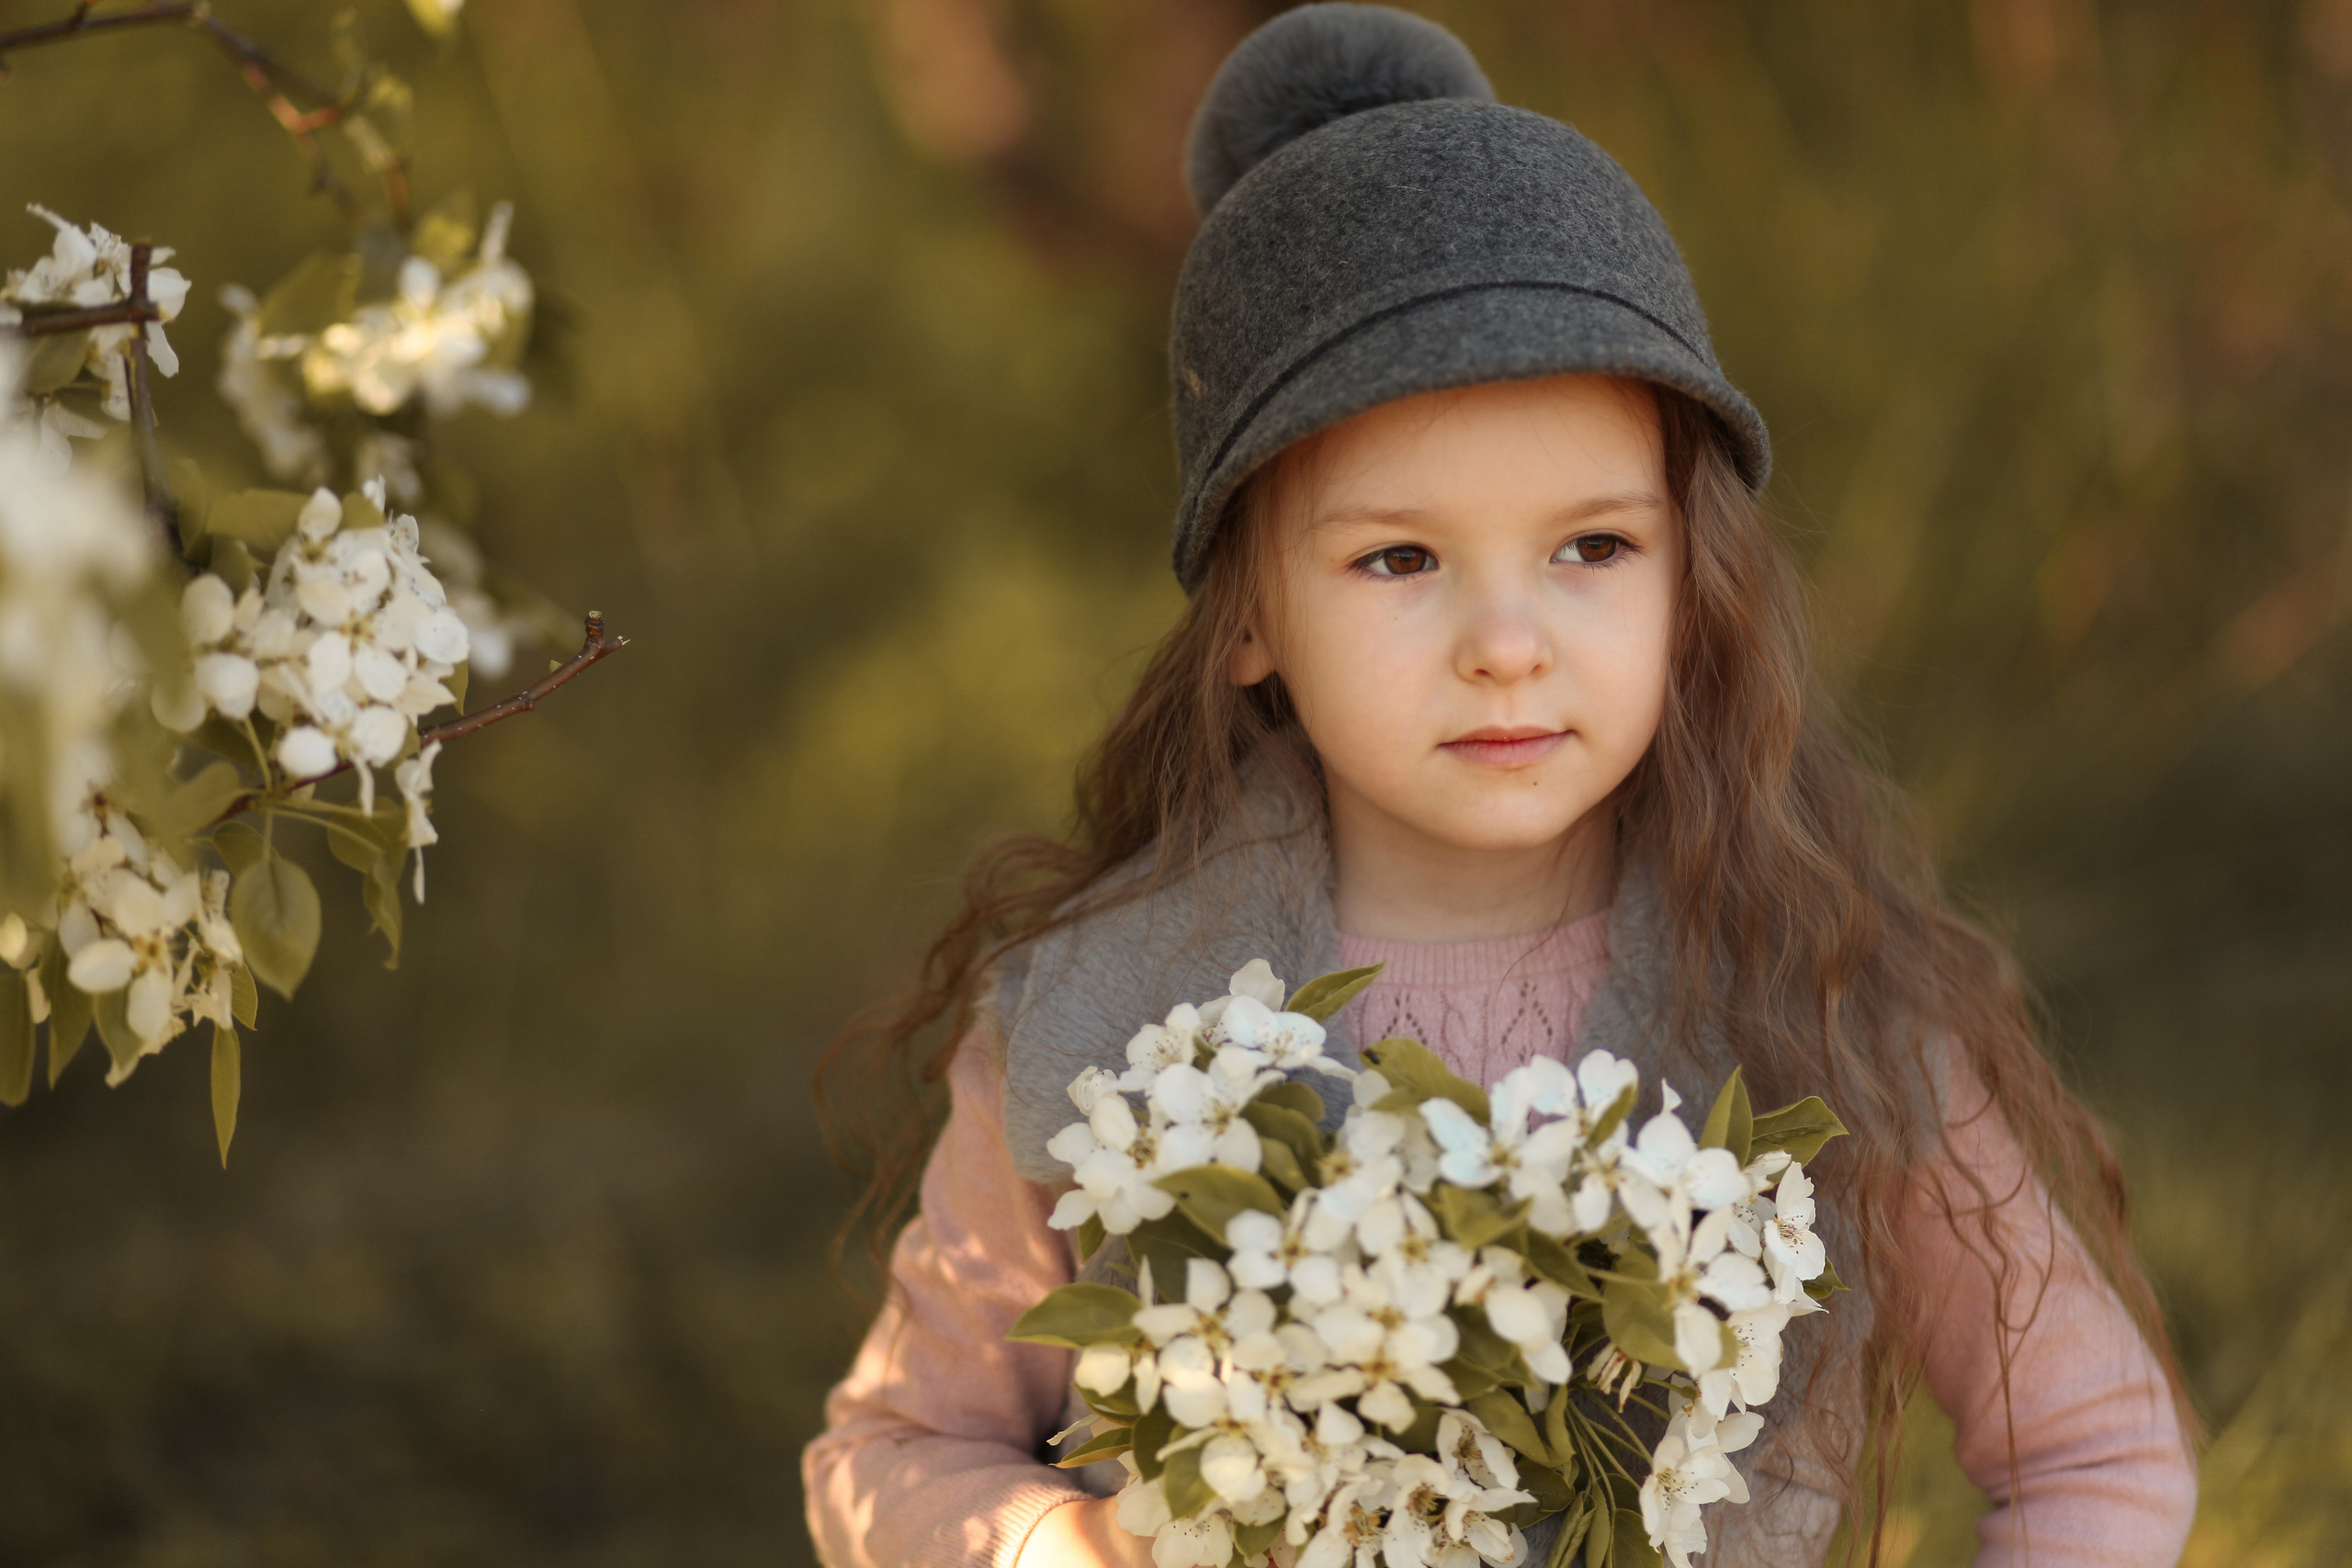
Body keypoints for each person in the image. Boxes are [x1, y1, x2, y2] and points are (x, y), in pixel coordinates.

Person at [803, 7, 2199, 1565]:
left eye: (1592, 547)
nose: (1508, 647)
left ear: (1694, 581)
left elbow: (2095, 1453)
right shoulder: (1108, 1023)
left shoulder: (1820, 1000)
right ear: (1253, 615)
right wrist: (1083, 1547)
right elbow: (894, 1450)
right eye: (1400, 558)